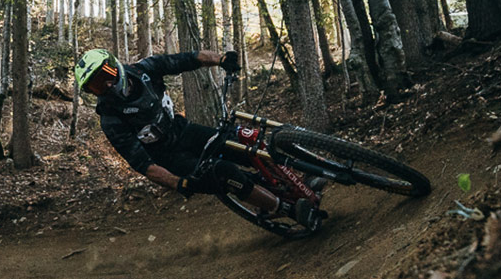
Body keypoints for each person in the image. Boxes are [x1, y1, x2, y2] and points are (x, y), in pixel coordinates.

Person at [74, 47, 319, 227]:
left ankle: (296, 182)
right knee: (226, 173)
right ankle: (288, 210)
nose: (105, 86)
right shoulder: (110, 118)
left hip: (184, 131)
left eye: (105, 74)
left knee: (242, 142)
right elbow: (142, 164)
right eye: (94, 86)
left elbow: (188, 59)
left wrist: (221, 59)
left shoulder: (143, 70)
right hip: (169, 159)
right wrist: (177, 183)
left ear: (114, 64)